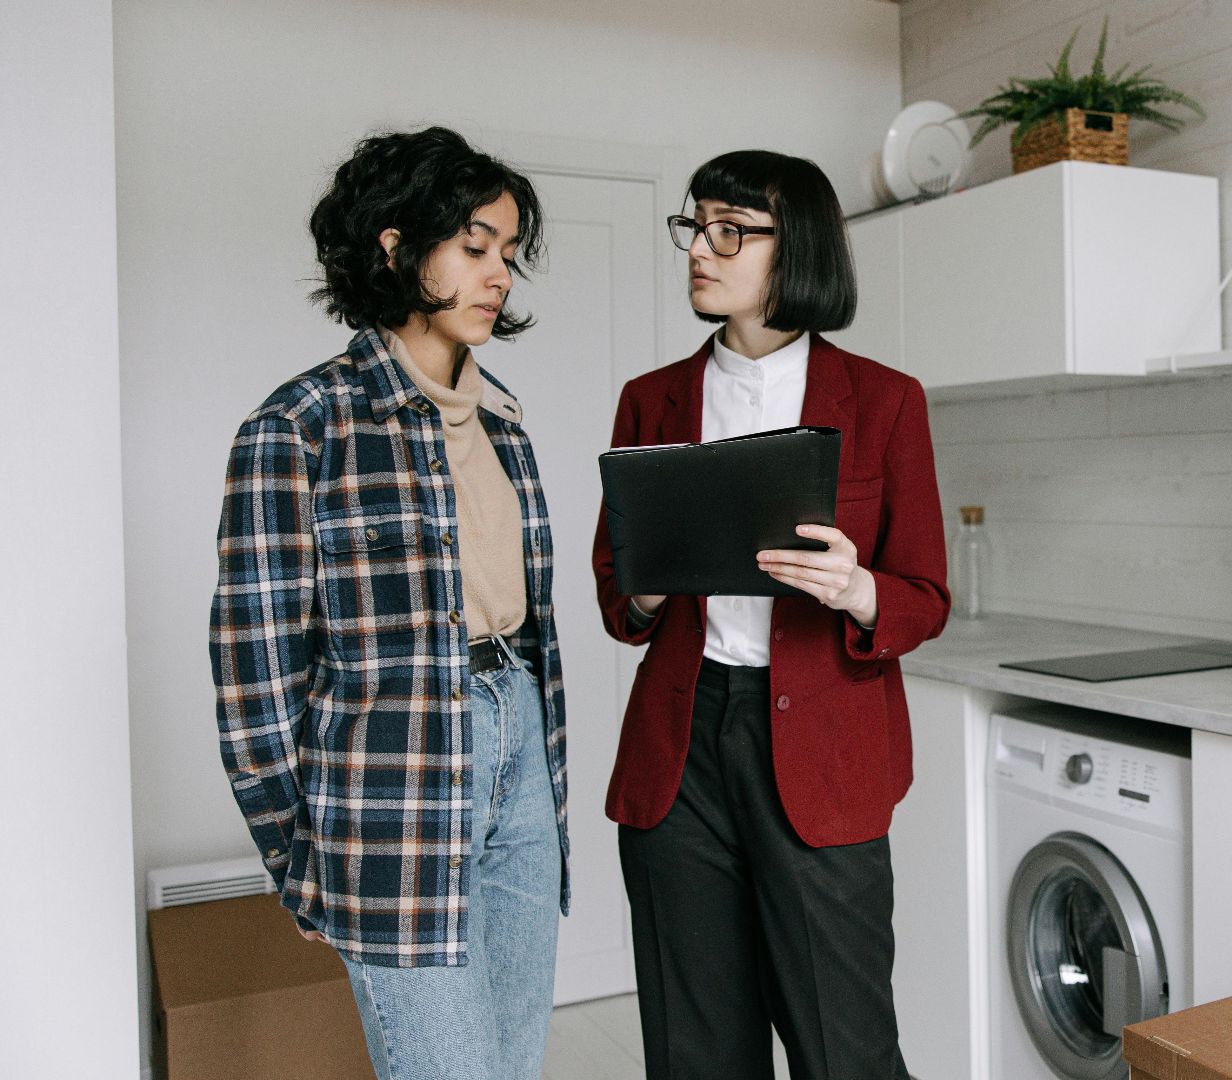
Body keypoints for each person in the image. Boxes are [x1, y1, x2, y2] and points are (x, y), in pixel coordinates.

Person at [210, 126, 569, 1080]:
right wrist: (309, 860)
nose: (499, 275)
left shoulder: (506, 425)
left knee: (513, 1065)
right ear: (397, 247)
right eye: (475, 247)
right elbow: (254, 681)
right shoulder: (299, 429)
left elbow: (530, 625)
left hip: (518, 748)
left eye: (508, 253)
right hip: (394, 787)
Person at [591, 149, 950, 1079]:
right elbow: (616, 596)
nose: (700, 251)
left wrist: (856, 587)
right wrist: (649, 583)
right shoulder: (652, 399)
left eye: (730, 230)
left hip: (824, 742)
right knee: (696, 1050)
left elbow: (925, 597)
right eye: (695, 227)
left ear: (796, 252)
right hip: (682, 749)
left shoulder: (885, 402)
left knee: (847, 1048)